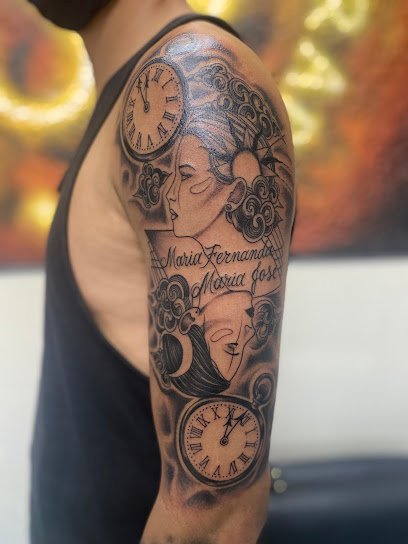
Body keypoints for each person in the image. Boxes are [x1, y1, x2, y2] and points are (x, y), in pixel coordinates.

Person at [29, 0, 296, 542]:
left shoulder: (192, 72)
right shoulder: (139, 92)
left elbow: (215, 515)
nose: (173, 197)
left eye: (189, 177)